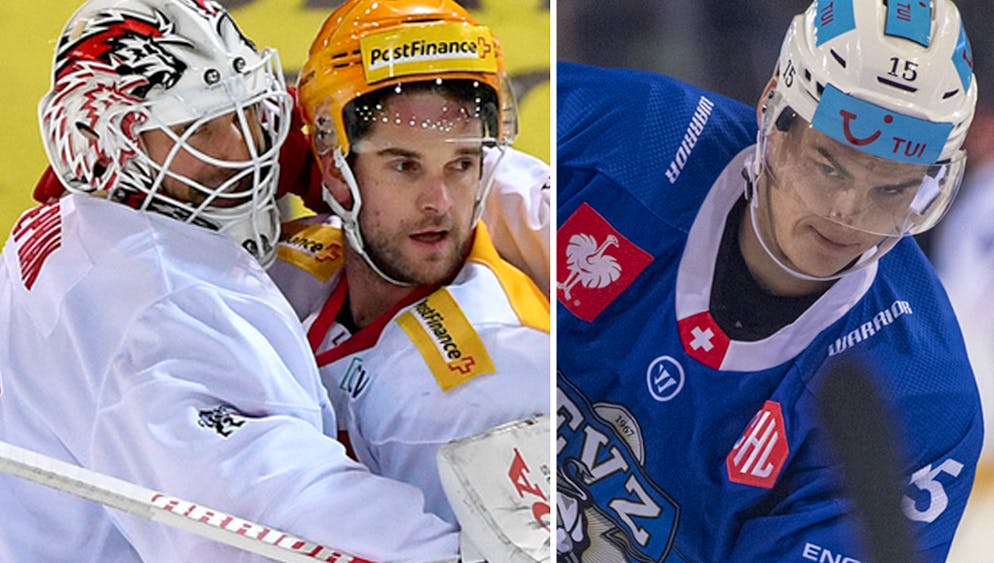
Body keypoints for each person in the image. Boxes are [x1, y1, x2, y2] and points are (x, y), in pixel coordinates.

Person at [0, 0, 461, 560]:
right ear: (106, 146)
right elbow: (263, 511)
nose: (242, 148)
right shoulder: (165, 302)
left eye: (244, 110)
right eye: (200, 127)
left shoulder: (76, 222)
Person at [555, 1, 983, 562]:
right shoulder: (619, 139)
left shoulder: (919, 396)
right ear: (772, 113)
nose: (848, 214)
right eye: (829, 166)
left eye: (892, 189)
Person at [267, 0, 551, 526]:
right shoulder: (287, 264)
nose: (439, 203)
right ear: (332, 167)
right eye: (404, 165)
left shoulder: (498, 384)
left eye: (461, 164)